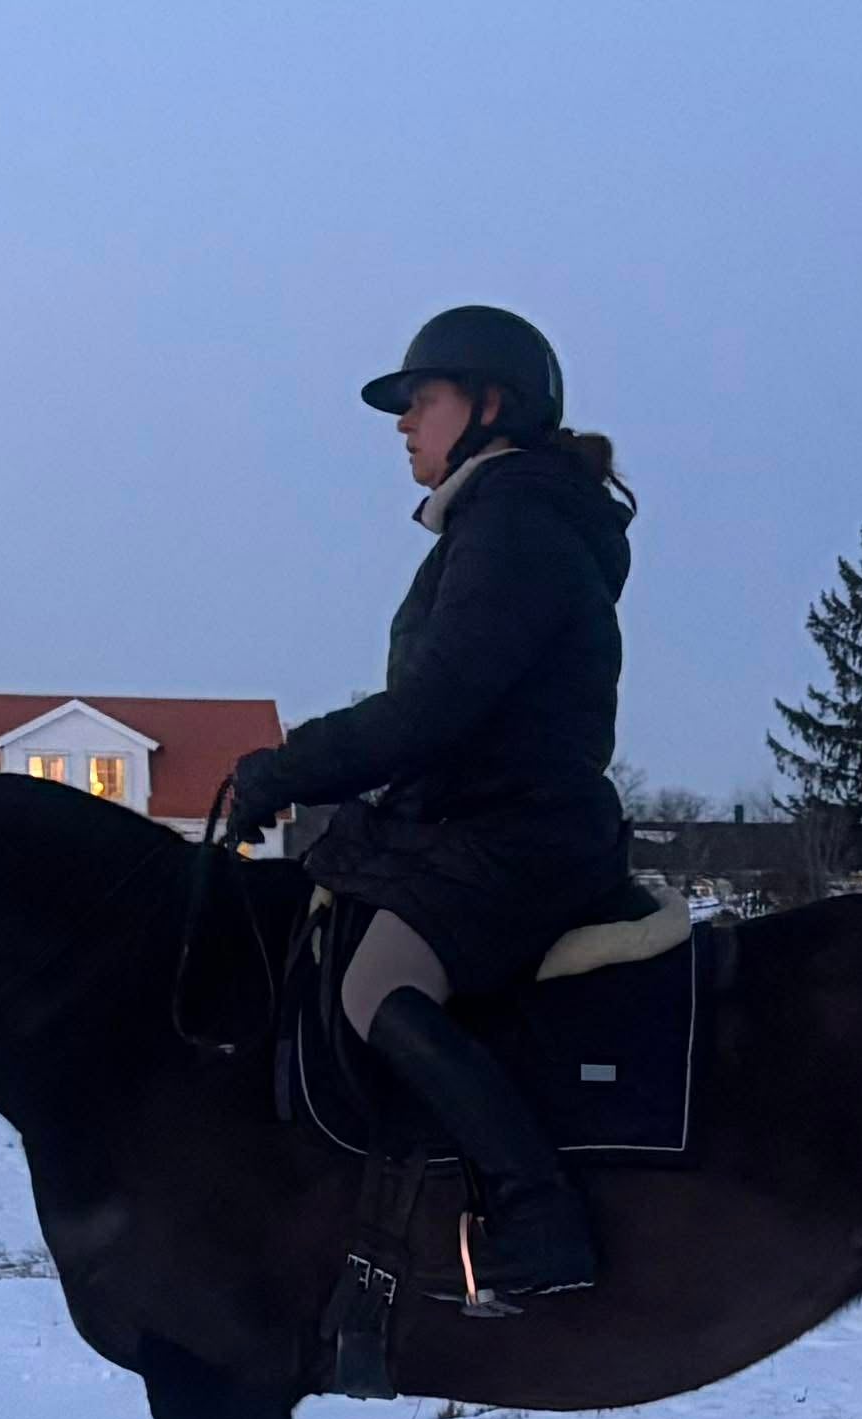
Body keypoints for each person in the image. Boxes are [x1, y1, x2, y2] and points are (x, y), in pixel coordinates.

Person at [226, 305, 635, 1304]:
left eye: (422, 400)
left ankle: (538, 1219)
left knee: (373, 989)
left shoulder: (515, 521)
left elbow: (435, 706)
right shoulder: (499, 515)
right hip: (479, 820)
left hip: (516, 832)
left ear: (491, 405)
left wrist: (284, 769)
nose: (404, 423)